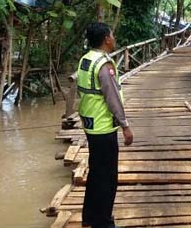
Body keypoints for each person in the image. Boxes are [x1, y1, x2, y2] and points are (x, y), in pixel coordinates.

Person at [77, 22, 133, 228]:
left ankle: (89, 217)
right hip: (103, 126)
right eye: (112, 35)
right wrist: (125, 125)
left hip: (90, 123)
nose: (114, 38)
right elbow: (112, 98)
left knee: (95, 173)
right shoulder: (103, 64)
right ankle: (104, 222)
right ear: (106, 39)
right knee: (107, 178)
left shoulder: (86, 59)